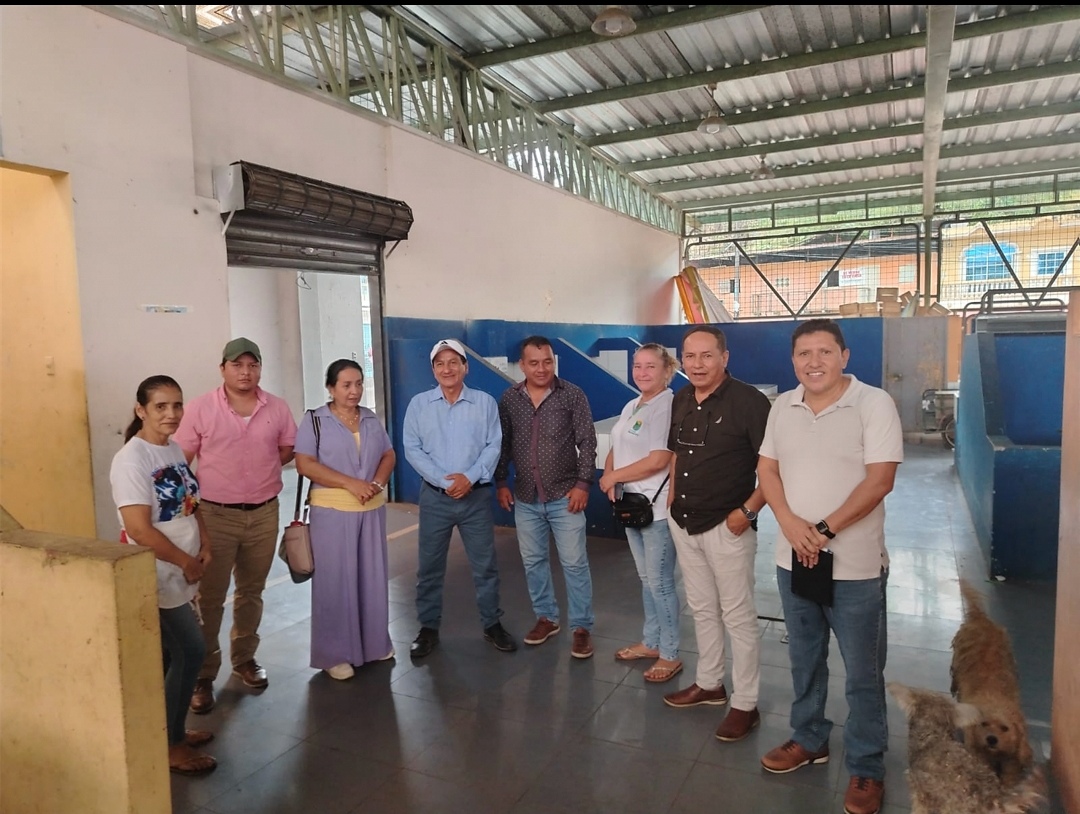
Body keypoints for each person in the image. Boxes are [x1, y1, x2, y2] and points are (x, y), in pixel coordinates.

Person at [757, 318, 903, 814]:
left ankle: (867, 766)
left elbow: (880, 480)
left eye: (824, 351)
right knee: (805, 659)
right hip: (792, 561)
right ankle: (809, 738)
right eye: (804, 353)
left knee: (863, 672)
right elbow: (767, 469)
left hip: (855, 567)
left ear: (844, 356)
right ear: (793, 360)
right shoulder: (783, 406)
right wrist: (788, 522)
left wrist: (821, 531)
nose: (813, 362)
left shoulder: (873, 404)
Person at [174, 338, 297, 712]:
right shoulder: (201, 408)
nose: (245, 372)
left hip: (263, 513)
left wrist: (258, 469)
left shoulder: (277, 408)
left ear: (259, 368)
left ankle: (244, 659)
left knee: (251, 591)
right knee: (209, 597)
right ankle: (203, 674)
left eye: (252, 365)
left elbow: (286, 449)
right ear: (223, 369)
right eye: (237, 365)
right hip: (215, 516)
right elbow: (182, 460)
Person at [662, 325, 771, 744]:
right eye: (690, 356)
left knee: (738, 616)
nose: (697, 364)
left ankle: (746, 702)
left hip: (728, 526)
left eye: (707, 355)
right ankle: (709, 683)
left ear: (725, 358)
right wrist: (673, 501)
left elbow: (774, 466)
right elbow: (677, 454)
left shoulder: (750, 402)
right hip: (685, 522)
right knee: (702, 609)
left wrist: (747, 512)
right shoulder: (681, 398)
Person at [110, 375, 217, 776]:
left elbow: (191, 503)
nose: (171, 414)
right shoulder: (131, 460)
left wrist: (204, 542)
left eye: (177, 405)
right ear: (141, 411)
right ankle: (170, 745)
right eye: (160, 406)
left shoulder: (171, 449)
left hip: (180, 571)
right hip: (154, 573)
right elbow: (139, 529)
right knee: (190, 650)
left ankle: (171, 729)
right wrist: (184, 561)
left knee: (174, 655)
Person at [402, 339, 515, 657]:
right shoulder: (419, 405)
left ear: (466, 367)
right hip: (435, 498)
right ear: (433, 370)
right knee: (429, 567)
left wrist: (470, 477)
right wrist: (444, 481)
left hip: (474, 498)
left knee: (485, 566)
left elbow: (494, 445)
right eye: (440, 363)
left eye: (454, 362)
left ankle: (492, 624)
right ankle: (427, 628)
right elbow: (412, 449)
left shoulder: (484, 403)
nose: (447, 369)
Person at [495, 336, 598, 659]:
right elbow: (503, 443)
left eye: (547, 362)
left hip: (565, 496)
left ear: (554, 362)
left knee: (574, 563)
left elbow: (587, 441)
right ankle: (547, 618)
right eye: (534, 363)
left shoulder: (573, 395)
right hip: (526, 498)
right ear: (522, 366)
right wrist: (501, 481)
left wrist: (583, 484)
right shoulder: (509, 399)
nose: (542, 369)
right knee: (534, 562)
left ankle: (581, 627)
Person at [294, 359, 396, 679]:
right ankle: (334, 653)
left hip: (371, 510)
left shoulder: (370, 418)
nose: (354, 391)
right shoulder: (315, 420)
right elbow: (305, 464)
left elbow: (388, 454)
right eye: (346, 385)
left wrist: (377, 483)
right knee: (335, 582)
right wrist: (350, 483)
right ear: (331, 388)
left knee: (371, 579)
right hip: (332, 513)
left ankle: (374, 644)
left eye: (359, 384)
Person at [599, 343, 682, 682]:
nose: (642, 372)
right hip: (631, 504)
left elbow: (659, 459)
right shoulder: (633, 404)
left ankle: (670, 653)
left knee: (660, 583)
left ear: (667, 371)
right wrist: (609, 476)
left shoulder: (666, 405)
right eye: (638, 366)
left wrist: (614, 477)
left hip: (656, 510)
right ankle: (651, 642)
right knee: (647, 579)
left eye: (651, 366)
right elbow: (617, 446)